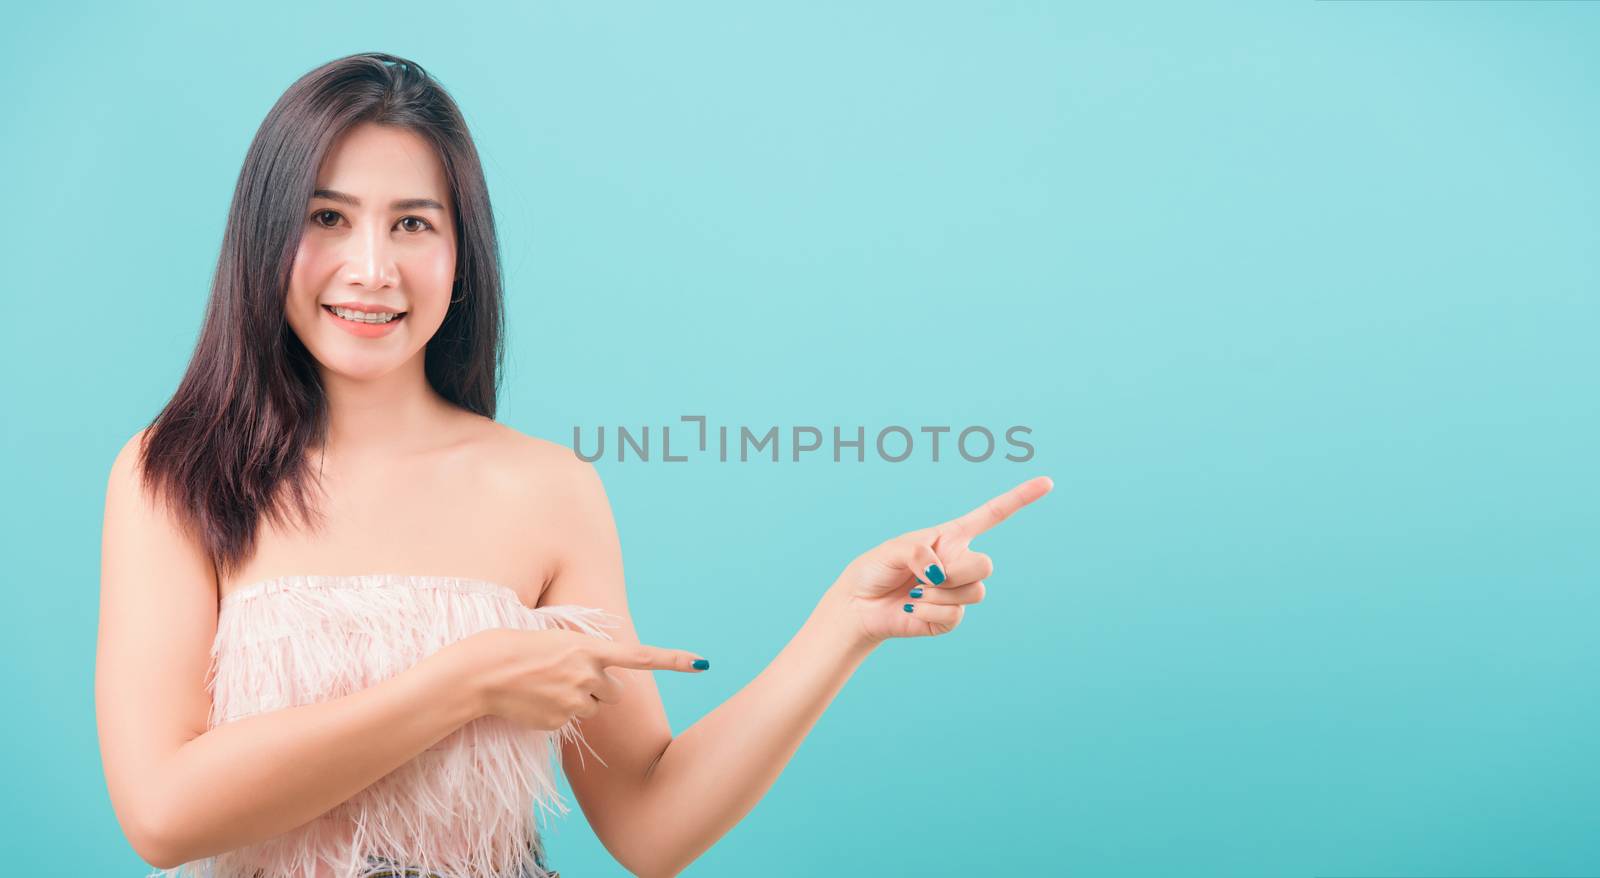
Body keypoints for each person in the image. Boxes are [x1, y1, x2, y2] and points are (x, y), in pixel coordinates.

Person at [94, 52, 1053, 878]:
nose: (372, 268)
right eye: (328, 217)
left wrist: (845, 622)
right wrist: (464, 683)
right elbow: (162, 813)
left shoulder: (549, 491)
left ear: (464, 255)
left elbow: (648, 820)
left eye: (414, 224)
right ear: (264, 238)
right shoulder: (173, 471)